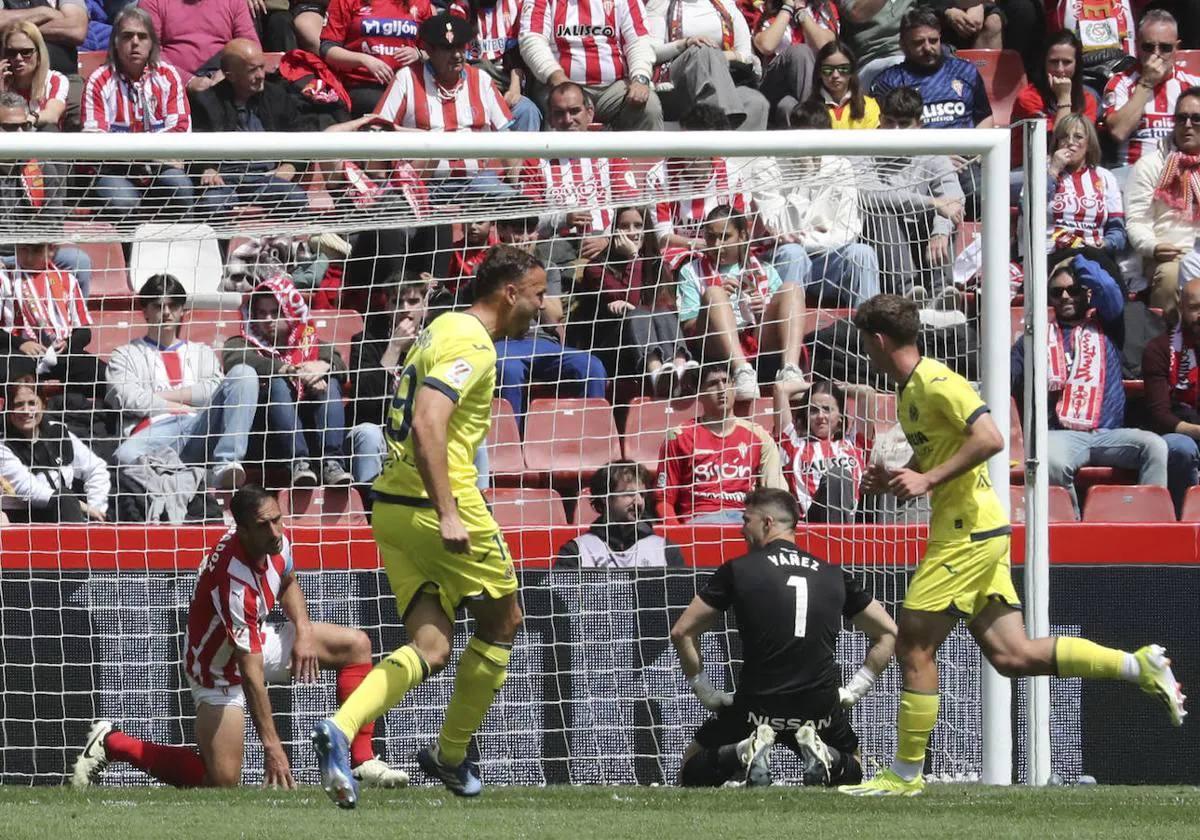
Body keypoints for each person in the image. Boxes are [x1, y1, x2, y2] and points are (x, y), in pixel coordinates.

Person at [839, 294, 1185, 797]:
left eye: (865, 345)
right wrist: (900, 475)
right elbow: (943, 445)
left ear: (878, 340)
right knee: (1012, 655)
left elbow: (991, 436)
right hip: (973, 528)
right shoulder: (909, 390)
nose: (865, 353)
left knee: (913, 642)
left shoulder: (939, 382)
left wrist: (928, 479)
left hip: (967, 531)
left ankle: (906, 775)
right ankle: (1138, 665)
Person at [311, 245, 546, 805]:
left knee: (432, 646)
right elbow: (427, 420)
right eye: (537, 294)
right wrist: (447, 510)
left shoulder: (440, 329)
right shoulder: (472, 342)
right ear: (510, 293)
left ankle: (340, 729)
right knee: (504, 618)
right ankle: (452, 754)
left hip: (389, 507)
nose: (542, 307)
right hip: (435, 505)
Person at [70, 485, 408, 791]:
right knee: (220, 781)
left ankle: (362, 762)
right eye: (264, 525)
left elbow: (288, 580)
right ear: (242, 530)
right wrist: (273, 748)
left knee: (357, 645)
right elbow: (250, 674)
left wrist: (303, 631)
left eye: (278, 520)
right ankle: (112, 742)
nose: (276, 531)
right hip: (217, 669)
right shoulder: (235, 584)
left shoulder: (274, 539)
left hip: (250, 638)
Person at [670, 488, 897, 787]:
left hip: (755, 707)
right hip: (819, 707)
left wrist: (706, 692)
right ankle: (828, 758)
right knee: (853, 762)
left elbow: (682, 631)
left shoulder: (738, 570)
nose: (740, 528)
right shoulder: (834, 574)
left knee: (690, 767)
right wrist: (855, 690)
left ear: (766, 523)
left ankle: (741, 752)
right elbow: (888, 632)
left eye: (745, 519)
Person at [1011, 257, 1167, 513]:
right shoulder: (1035, 337)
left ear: (1086, 294)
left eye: (1073, 290)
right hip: (1060, 434)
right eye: (1056, 292)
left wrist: (1079, 259)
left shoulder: (1109, 325)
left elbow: (1107, 287)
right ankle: (1070, 524)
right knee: (1050, 462)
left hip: (1108, 433)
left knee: (1155, 447)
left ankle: (1146, 519)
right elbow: (1010, 373)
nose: (1065, 296)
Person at [107, 274, 259, 490]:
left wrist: (163, 397)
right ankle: (196, 477)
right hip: (153, 431)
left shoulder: (202, 352)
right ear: (145, 312)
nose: (167, 312)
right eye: (158, 306)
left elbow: (214, 389)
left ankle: (226, 464)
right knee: (124, 457)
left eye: (173, 306)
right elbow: (127, 398)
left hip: (198, 426)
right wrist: (176, 406)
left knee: (244, 373)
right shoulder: (125, 354)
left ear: (182, 311)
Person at [221, 274, 353, 488]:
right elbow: (235, 358)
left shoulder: (311, 343)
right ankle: (298, 463)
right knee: (279, 383)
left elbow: (337, 361)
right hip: (265, 434)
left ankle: (332, 463)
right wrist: (290, 370)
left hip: (310, 429)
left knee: (329, 384)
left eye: (275, 312)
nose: (268, 320)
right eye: (261, 313)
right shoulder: (242, 342)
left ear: (291, 312)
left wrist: (323, 366)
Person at [748, 101, 881, 307]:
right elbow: (779, 229)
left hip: (828, 260)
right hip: (779, 259)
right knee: (794, 254)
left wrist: (805, 239)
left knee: (862, 253)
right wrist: (806, 177)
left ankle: (868, 331)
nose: (808, 148)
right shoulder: (766, 167)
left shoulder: (841, 166)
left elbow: (848, 231)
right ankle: (783, 333)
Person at [374, 13, 516, 202]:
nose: (457, 55)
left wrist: (514, 184)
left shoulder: (481, 79)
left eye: (460, 47)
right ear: (428, 50)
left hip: (478, 181)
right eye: (448, 49)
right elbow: (378, 129)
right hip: (425, 183)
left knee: (516, 203)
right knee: (396, 211)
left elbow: (509, 138)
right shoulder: (406, 79)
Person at [676, 205, 808, 400]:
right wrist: (717, 305)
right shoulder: (690, 272)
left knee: (792, 289)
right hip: (714, 346)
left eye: (725, 237)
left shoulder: (765, 271)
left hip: (758, 339)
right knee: (714, 293)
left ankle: (790, 371)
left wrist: (763, 310)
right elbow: (689, 328)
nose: (717, 244)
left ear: (743, 236)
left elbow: (781, 318)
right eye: (711, 237)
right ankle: (742, 372)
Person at [870, 6, 992, 217]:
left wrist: (974, 153)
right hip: (916, 164)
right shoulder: (888, 82)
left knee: (983, 193)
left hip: (966, 162)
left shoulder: (965, 71)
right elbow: (884, 131)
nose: (928, 48)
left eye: (933, 41)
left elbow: (985, 117)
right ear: (902, 45)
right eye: (918, 43)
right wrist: (938, 156)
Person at [493, 213, 608, 427]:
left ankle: (591, 438)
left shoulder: (549, 269)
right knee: (509, 369)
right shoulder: (492, 271)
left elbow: (553, 317)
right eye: (519, 230)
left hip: (544, 343)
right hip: (504, 343)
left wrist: (530, 283)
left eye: (531, 229)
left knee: (592, 367)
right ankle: (510, 444)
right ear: (502, 231)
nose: (526, 236)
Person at [80, 7, 195, 219]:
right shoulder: (99, 80)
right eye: (127, 36)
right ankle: (125, 252)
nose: (135, 42)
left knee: (180, 187)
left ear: (152, 42)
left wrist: (137, 152)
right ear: (115, 41)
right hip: (114, 171)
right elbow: (95, 141)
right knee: (123, 201)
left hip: (159, 168)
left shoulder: (168, 76)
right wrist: (152, 151)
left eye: (142, 36)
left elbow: (180, 129)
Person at [857, 87, 964, 300]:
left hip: (922, 236)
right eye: (889, 122)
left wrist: (941, 231)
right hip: (882, 240)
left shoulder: (932, 152)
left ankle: (942, 292)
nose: (895, 131)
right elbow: (868, 195)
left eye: (904, 124)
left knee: (945, 216)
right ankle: (907, 292)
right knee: (882, 212)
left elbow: (954, 198)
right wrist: (932, 202)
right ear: (879, 119)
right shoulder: (862, 148)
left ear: (919, 125)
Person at [189, 39, 309, 218]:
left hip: (265, 177)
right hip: (223, 180)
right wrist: (207, 168)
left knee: (295, 199)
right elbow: (194, 143)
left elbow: (302, 135)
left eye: (262, 67)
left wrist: (290, 165)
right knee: (211, 206)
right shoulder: (206, 101)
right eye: (252, 70)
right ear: (230, 75)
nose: (261, 75)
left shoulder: (277, 96)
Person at [657, 362, 785, 524]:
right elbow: (664, 500)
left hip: (744, 520)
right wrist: (678, 538)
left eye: (726, 381)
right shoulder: (679, 436)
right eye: (712, 384)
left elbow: (776, 494)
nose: (721, 389)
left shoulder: (759, 436)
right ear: (699, 393)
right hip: (699, 523)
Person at [572, 206, 680, 392]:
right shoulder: (597, 268)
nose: (632, 233)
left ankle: (678, 369)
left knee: (662, 313)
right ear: (614, 231)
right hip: (613, 349)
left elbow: (669, 311)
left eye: (638, 226)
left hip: (657, 346)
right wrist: (634, 258)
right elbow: (632, 305)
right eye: (624, 226)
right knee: (638, 316)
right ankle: (656, 375)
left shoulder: (658, 265)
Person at [519, 0, 663, 130]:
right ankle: (558, 159)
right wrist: (556, 76)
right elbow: (531, 39)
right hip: (559, 84)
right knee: (560, 108)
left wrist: (640, 78)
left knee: (649, 105)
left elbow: (639, 40)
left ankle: (647, 160)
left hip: (612, 89)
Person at [1124, 86, 1200, 321]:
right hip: (1167, 255)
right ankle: (1170, 346)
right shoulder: (1151, 165)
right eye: (1181, 118)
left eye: (1196, 118)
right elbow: (1137, 221)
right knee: (1170, 275)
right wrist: (1153, 247)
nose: (1187, 124)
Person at [0, 240, 105, 401]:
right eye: (23, 250)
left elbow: (84, 331)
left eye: (35, 251)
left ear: (51, 250)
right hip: (16, 352)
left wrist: (67, 344)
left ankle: (77, 414)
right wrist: (20, 343)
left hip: (58, 354)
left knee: (104, 375)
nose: (28, 257)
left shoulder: (67, 280)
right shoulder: (4, 279)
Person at [645, 0, 769, 130]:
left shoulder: (725, 5)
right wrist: (686, 43)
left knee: (756, 102)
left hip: (722, 77)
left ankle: (726, 145)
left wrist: (716, 55)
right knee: (702, 49)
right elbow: (650, 52)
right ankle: (721, 127)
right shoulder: (661, 3)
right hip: (677, 82)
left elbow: (747, 55)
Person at [0, 377, 110, 523]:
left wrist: (96, 509)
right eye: (19, 405)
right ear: (9, 410)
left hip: (67, 514)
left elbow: (96, 468)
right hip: (25, 519)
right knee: (64, 497)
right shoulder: (3, 446)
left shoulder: (58, 431)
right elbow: (30, 491)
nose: (26, 411)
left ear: (43, 405)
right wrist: (82, 507)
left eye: (32, 403)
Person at [1101, 10, 1200, 170]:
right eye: (1148, 47)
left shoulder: (1193, 85)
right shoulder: (1121, 82)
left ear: (1177, 48)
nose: (1156, 54)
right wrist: (1146, 84)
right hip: (1132, 171)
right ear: (1137, 47)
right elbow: (1118, 132)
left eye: (1165, 47)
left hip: (1181, 172)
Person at [1043, 114, 1127, 287]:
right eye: (1064, 137)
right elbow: (1026, 209)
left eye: (1078, 137)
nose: (1070, 142)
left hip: (1095, 253)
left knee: (1099, 272)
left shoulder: (1105, 178)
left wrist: (1106, 243)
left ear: (1089, 145)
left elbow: (1118, 230)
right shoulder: (1042, 172)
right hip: (1051, 253)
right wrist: (1053, 171)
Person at [556, 460, 685, 568]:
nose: (639, 502)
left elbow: (683, 598)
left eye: (642, 495)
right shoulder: (576, 551)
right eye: (629, 494)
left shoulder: (665, 550)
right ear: (605, 498)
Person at [1142, 276, 1200, 513]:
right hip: (1180, 432)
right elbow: (1160, 414)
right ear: (1181, 307)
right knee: (1179, 448)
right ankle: (1182, 516)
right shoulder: (1159, 349)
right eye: (1195, 308)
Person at [318, 0, 433, 116]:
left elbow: (436, 50)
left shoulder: (420, 3)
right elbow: (327, 49)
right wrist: (363, 60)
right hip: (362, 85)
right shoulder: (346, 2)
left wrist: (418, 54)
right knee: (377, 106)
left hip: (408, 86)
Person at [774, 378, 865, 523]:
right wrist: (816, 386)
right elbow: (780, 389)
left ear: (840, 416)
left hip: (857, 518)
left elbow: (867, 394)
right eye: (814, 410)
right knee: (837, 475)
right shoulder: (794, 444)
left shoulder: (854, 443)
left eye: (827, 409)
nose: (820, 416)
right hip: (814, 521)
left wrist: (835, 387)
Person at [1010, 30, 1098, 168]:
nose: (1060, 69)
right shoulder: (1028, 97)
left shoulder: (1088, 100)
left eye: (1067, 62)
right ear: (1044, 63)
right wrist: (1064, 99)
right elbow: (1057, 147)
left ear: (1077, 64)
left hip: (1071, 170)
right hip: (1028, 171)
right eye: (1053, 62)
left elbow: (1079, 147)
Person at [137, 0, 260, 91]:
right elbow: (150, 50)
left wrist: (228, 72)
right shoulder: (152, 2)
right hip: (173, 87)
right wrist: (188, 81)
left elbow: (251, 45)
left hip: (227, 81)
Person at [459, 0, 542, 131]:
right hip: (472, 89)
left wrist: (515, 89)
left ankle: (526, 152)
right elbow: (457, 58)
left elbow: (515, 55)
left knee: (527, 110)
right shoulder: (460, 9)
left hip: (505, 86)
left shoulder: (515, 6)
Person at [751, 0, 837, 124]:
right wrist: (788, 7)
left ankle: (806, 133)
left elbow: (825, 45)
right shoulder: (764, 8)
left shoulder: (824, 8)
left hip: (815, 84)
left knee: (787, 106)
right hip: (773, 84)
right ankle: (814, 122)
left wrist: (801, 12)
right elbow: (766, 46)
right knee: (799, 52)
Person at [0, 21, 68, 129]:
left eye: (26, 52)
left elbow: (53, 114)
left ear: (39, 54)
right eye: (12, 52)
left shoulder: (54, 79)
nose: (18, 58)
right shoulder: (2, 80)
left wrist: (31, 119)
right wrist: (1, 93)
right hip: (8, 141)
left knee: (49, 128)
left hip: (42, 140)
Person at [808, 39, 879, 129]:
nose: (835, 75)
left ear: (852, 71)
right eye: (828, 69)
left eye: (843, 68)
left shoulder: (869, 107)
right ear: (819, 72)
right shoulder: (808, 110)